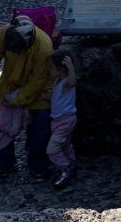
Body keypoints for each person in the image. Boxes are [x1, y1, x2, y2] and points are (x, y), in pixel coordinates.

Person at [0, 16, 54, 180]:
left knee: (41, 126)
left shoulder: (44, 47)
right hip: (9, 83)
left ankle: (37, 164)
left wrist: (18, 100)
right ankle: (4, 165)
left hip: (39, 90)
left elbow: (37, 82)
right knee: (0, 123)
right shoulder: (4, 32)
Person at [46, 50, 78, 189]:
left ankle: (65, 169)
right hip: (59, 121)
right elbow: (55, 98)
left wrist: (70, 67)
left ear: (60, 69)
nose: (49, 70)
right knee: (65, 145)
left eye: (51, 67)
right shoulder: (57, 82)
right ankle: (71, 163)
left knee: (52, 149)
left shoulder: (66, 82)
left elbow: (73, 81)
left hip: (65, 120)